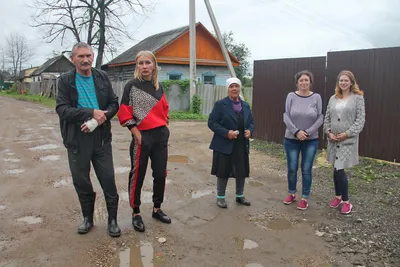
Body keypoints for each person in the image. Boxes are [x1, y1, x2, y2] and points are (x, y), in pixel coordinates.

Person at [56, 42, 121, 237]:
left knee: (108, 179)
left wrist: (100, 119)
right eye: (81, 56)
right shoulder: (66, 81)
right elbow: (62, 109)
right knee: (81, 181)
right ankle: (88, 218)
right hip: (77, 139)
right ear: (73, 59)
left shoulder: (101, 76)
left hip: (101, 138)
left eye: (88, 56)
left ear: (93, 57)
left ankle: (112, 220)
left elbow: (113, 103)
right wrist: (91, 113)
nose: (85, 60)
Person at [118, 51, 171, 233]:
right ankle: (136, 212)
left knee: (161, 174)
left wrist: (165, 124)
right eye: (141, 63)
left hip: (160, 136)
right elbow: (124, 112)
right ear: (137, 66)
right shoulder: (131, 86)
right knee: (137, 175)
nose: (144, 66)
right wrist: (135, 132)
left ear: (154, 65)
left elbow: (165, 108)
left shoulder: (159, 87)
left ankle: (157, 208)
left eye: (148, 62)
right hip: (142, 136)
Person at [208, 77, 255, 208]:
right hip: (224, 143)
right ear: (227, 89)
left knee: (241, 170)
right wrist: (226, 133)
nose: (234, 89)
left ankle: (240, 196)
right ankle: (220, 197)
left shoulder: (245, 105)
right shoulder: (220, 104)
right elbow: (212, 123)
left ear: (240, 88)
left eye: (236, 86)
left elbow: (251, 122)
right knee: (223, 171)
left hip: (241, 143)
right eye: (231, 86)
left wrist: (250, 131)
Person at [323, 70, 365, 214]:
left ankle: (347, 202)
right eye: (341, 80)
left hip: (347, 141)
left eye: (346, 80)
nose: (343, 83)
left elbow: (360, 121)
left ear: (351, 82)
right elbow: (327, 118)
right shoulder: (333, 98)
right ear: (338, 83)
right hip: (333, 141)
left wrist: (347, 134)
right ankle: (338, 196)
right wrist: (328, 132)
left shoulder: (358, 98)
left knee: (340, 169)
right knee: (335, 168)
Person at [283, 70, 323, 210]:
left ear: (310, 82)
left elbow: (320, 117)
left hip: (310, 140)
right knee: (292, 168)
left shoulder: (316, 97)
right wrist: (296, 131)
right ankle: (291, 193)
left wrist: (307, 132)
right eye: (301, 80)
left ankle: (305, 198)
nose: (304, 82)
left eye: (306, 80)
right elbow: (286, 116)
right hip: (291, 139)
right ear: (297, 82)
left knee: (306, 169)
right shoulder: (291, 96)